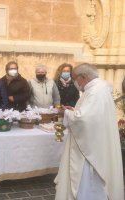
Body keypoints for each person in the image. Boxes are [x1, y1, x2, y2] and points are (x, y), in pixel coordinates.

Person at [55, 63, 124, 200]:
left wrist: (66, 112)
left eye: (76, 78)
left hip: (89, 150)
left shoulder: (95, 91)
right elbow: (92, 115)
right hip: (95, 141)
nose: (75, 82)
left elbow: (84, 120)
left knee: (88, 183)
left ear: (84, 77)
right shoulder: (98, 88)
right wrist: (74, 111)